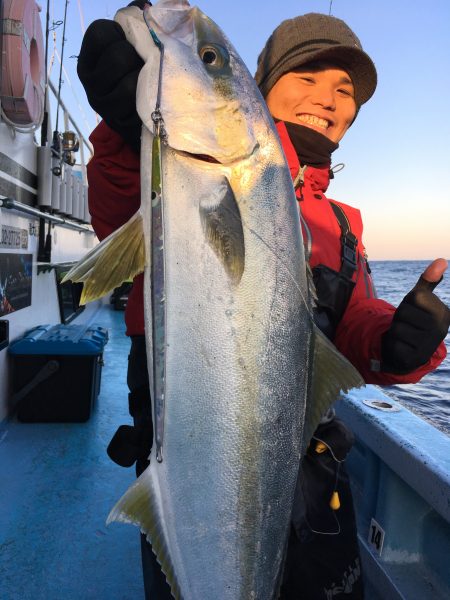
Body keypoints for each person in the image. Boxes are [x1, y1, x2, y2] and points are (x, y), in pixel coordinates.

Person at [77, 3, 450, 599]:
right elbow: (115, 215)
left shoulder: (341, 223)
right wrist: (126, 136)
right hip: (191, 464)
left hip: (313, 471)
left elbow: (353, 328)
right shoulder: (170, 166)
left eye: (345, 91)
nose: (330, 100)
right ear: (258, 91)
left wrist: (400, 341)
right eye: (307, 79)